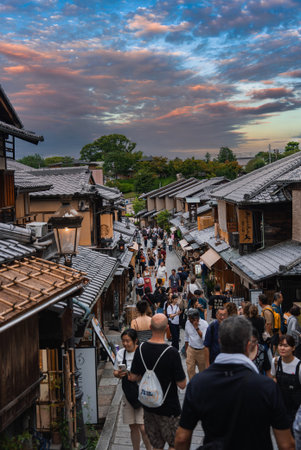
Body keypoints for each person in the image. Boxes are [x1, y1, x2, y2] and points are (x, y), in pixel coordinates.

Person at [175, 316, 295, 450]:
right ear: (249, 345)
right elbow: (286, 444)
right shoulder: (266, 386)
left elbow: (181, 438)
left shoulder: (198, 383)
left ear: (220, 342)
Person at [130, 314, 186, 450]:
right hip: (169, 407)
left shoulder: (141, 349)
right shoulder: (172, 352)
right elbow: (182, 384)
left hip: (149, 407)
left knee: (156, 445)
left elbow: (132, 377)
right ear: (167, 328)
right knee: (174, 444)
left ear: (150, 328)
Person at [113, 329, 152, 450]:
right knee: (133, 426)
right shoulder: (121, 353)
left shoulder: (142, 352)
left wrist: (137, 376)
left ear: (135, 341)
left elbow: (150, 372)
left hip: (142, 392)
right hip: (128, 394)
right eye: (123, 341)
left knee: (143, 427)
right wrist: (118, 374)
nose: (125, 344)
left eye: (128, 341)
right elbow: (115, 371)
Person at [271, 334, 301, 426]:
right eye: (280, 345)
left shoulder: (299, 366)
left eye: (286, 346)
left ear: (293, 348)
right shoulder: (275, 362)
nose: (282, 348)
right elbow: (273, 377)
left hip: (295, 412)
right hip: (280, 409)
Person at [185, 308, 208, 380]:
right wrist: (186, 350)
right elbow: (186, 337)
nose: (188, 319)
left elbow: (205, 339)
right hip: (191, 349)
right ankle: (192, 385)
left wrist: (196, 328)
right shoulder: (187, 323)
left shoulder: (204, 324)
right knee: (190, 370)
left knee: (203, 371)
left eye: (190, 317)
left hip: (201, 350)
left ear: (195, 318)